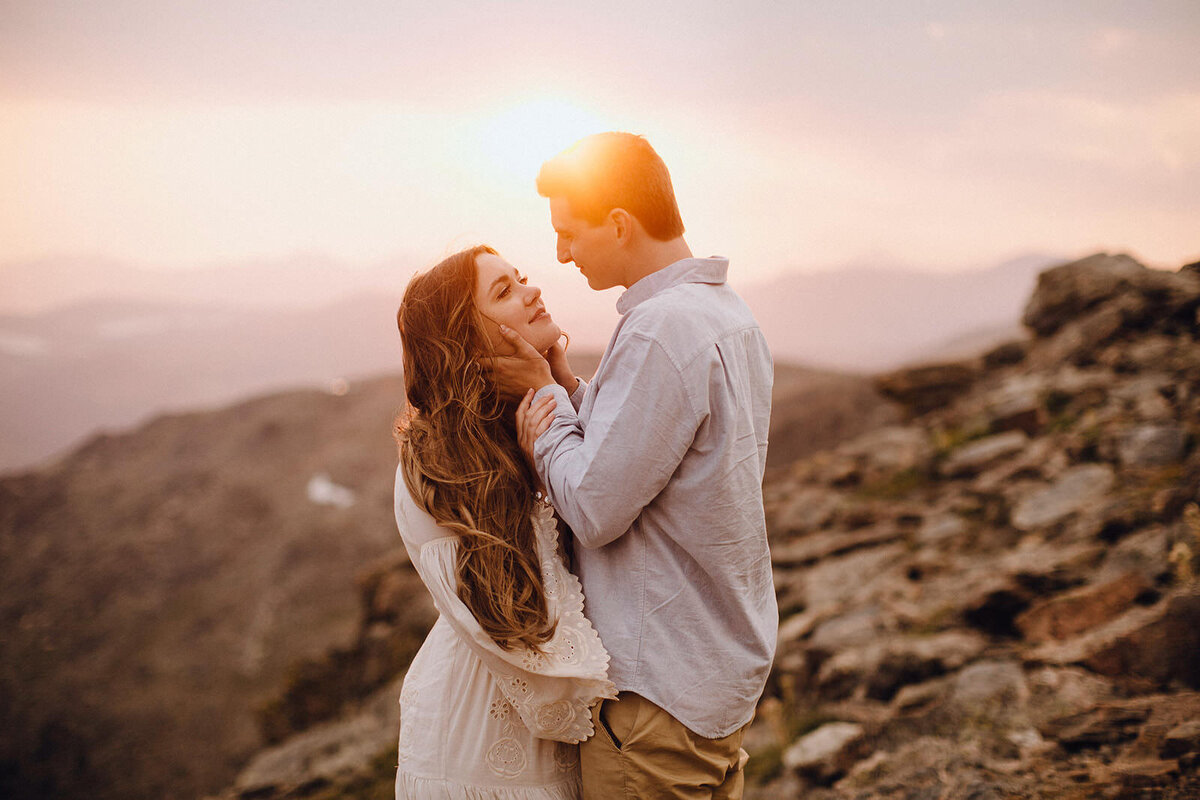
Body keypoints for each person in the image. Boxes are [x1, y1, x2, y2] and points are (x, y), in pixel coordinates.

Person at [490, 132, 777, 800]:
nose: (560, 253)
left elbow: (592, 508)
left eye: (569, 233)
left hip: (657, 696)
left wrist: (548, 415)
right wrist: (575, 388)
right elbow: (666, 455)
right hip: (711, 678)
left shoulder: (657, 327)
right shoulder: (727, 315)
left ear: (619, 224)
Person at [391, 244, 615, 799]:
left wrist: (561, 390)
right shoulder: (441, 458)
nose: (532, 291)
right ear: (463, 339)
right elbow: (523, 627)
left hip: (555, 755)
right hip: (477, 750)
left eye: (521, 279)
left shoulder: (534, 414)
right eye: (503, 292)